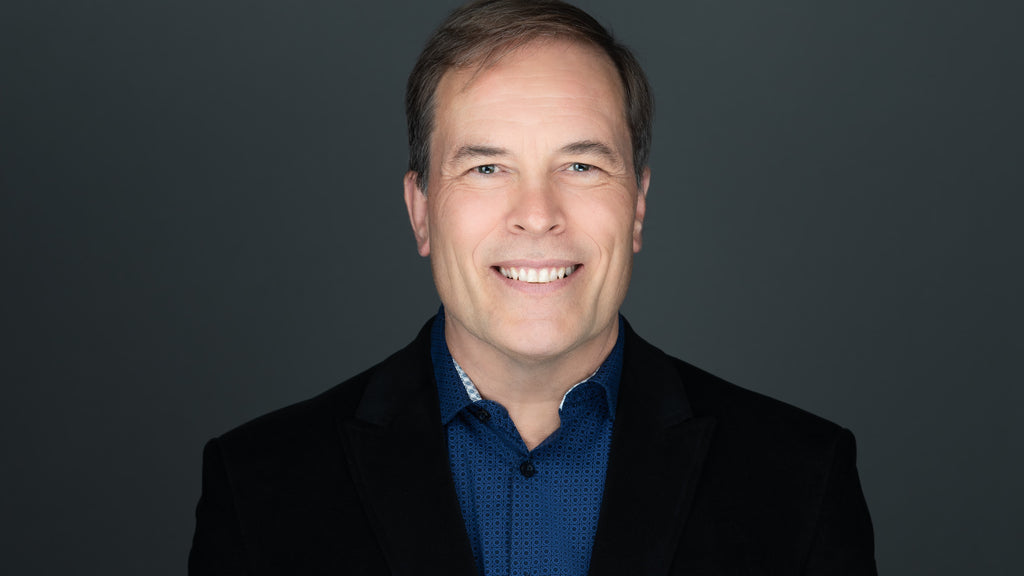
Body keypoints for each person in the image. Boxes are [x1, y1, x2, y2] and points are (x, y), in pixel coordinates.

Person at [188, 0, 877, 574]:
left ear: (637, 206)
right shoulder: (259, 487)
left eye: (580, 165)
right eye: (487, 168)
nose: (539, 213)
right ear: (421, 211)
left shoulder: (799, 480)